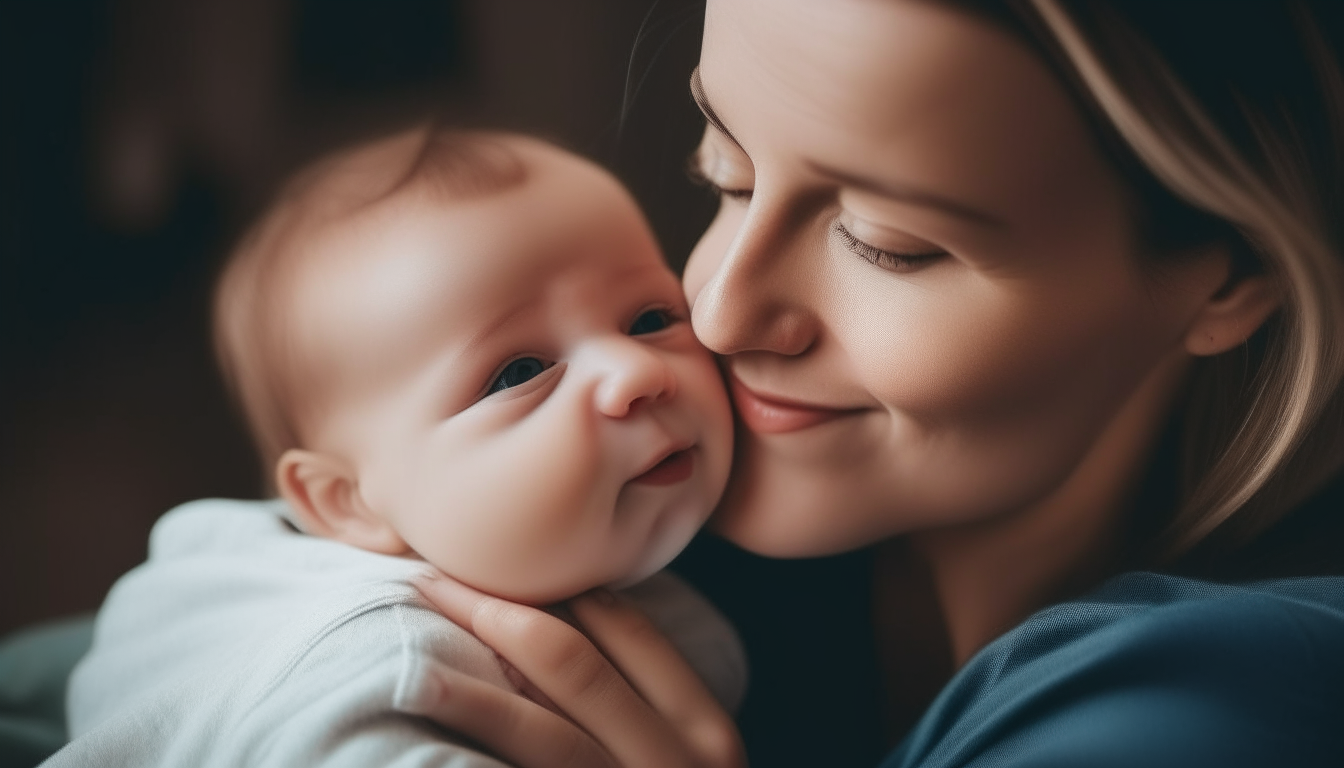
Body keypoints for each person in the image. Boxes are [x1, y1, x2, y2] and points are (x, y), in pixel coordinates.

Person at [402, 1, 1344, 766]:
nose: (719, 314)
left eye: (888, 245)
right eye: (724, 173)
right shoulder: (616, 523)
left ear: (1228, 279)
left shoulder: (1224, 711)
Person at [44, 127, 745, 767]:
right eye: (520, 373)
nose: (637, 373)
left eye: (651, 319)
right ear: (349, 503)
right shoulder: (395, 667)